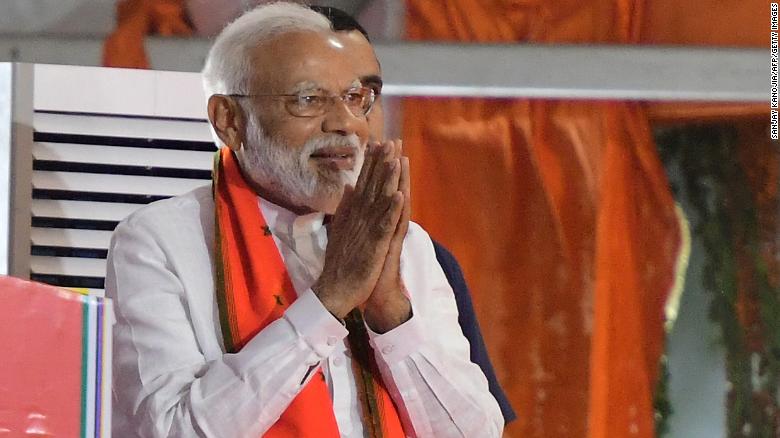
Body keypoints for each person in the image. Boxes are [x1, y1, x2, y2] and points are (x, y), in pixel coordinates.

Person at [106, 3, 506, 437]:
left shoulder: (406, 245)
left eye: (359, 98)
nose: (345, 124)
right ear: (229, 121)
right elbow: (171, 430)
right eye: (308, 99)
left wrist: (390, 310)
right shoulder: (159, 243)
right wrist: (329, 301)